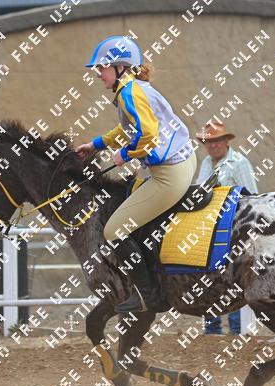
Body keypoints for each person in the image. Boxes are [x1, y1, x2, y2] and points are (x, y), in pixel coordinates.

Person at [75, 35, 196, 313]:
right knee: (129, 197)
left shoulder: (129, 92)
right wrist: (96, 145)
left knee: (114, 230)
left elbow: (149, 136)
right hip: (179, 162)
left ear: (120, 67)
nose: (98, 74)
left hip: (169, 174)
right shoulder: (133, 88)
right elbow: (130, 129)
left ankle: (148, 297)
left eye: (102, 68)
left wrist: (125, 154)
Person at [194, 119, 257, 335]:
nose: (213, 145)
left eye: (217, 140)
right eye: (209, 141)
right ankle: (212, 329)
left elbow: (252, 197)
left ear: (226, 141)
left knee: (233, 278)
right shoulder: (206, 163)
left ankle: (236, 329)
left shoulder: (239, 163)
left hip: (234, 230)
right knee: (208, 277)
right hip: (209, 230)